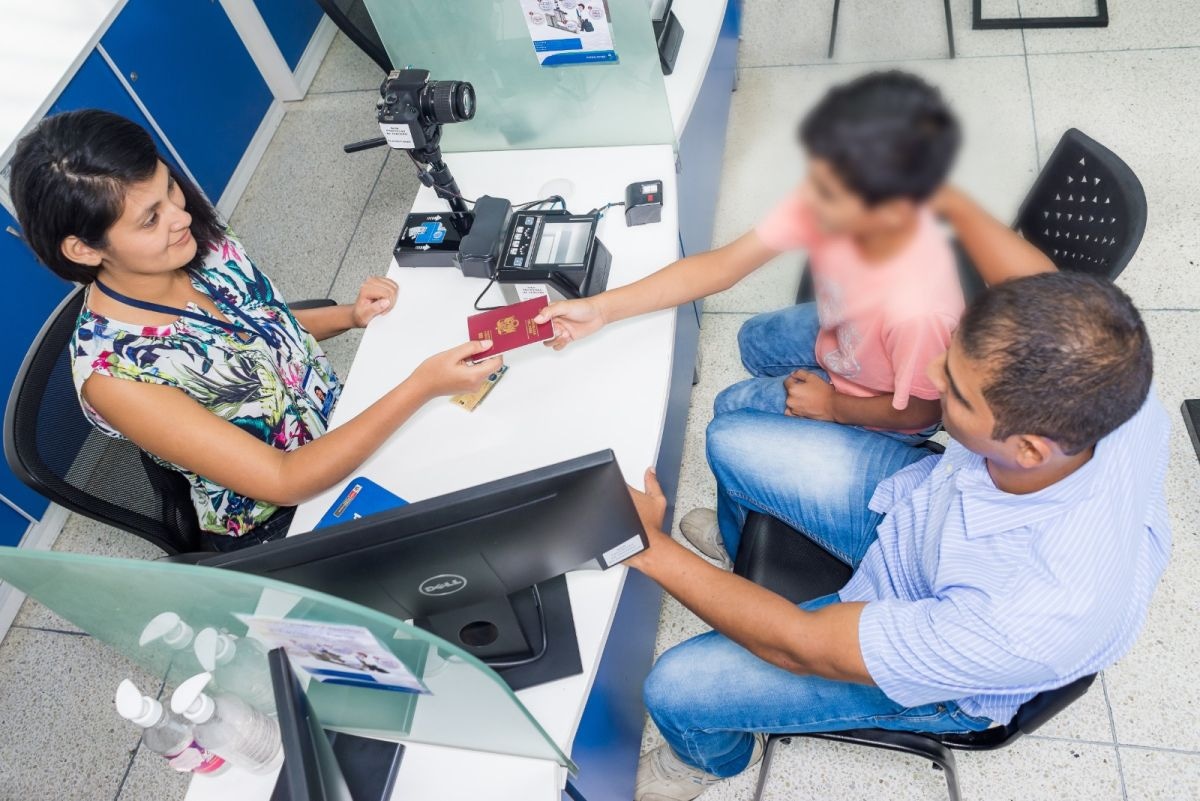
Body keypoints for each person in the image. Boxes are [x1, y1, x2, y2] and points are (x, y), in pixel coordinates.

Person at [621, 271, 1169, 801]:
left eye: (957, 392)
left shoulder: (1031, 612)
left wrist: (648, 546)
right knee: (730, 437)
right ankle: (737, 553)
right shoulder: (1112, 387)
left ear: (1028, 449)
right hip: (918, 508)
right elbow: (1034, 282)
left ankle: (709, 758)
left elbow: (797, 644)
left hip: (935, 637)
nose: (931, 373)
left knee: (674, 688)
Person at [536, 71, 1055, 565]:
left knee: (730, 409)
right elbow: (722, 267)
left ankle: (735, 541)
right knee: (752, 340)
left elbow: (922, 411)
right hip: (851, 342)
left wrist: (832, 406)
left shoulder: (920, 310)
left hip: (884, 404)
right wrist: (602, 309)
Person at [10, 110, 500, 551]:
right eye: (150, 219)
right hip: (282, 515)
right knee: (471, 537)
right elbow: (284, 480)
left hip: (339, 418)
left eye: (169, 189)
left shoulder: (198, 244)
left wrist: (350, 316)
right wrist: (420, 386)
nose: (182, 216)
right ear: (83, 249)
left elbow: (259, 329)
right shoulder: (115, 377)